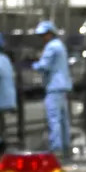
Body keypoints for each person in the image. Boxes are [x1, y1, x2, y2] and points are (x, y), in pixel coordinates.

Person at [32, 20, 72, 154]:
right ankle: (66, 147)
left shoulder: (51, 47)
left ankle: (56, 149)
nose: (43, 38)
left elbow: (44, 66)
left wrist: (34, 65)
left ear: (51, 33)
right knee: (63, 119)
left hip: (54, 87)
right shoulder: (60, 45)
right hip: (62, 86)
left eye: (44, 34)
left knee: (54, 119)